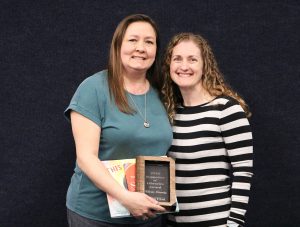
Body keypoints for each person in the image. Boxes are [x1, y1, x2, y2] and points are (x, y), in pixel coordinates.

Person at [64, 14, 172, 227]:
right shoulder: (93, 89)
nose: (141, 48)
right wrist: (126, 198)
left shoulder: (163, 93)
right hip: (96, 216)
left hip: (147, 216)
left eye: (149, 42)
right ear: (118, 45)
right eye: (133, 40)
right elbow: (86, 158)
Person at [161, 33, 253, 227]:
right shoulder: (169, 113)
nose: (184, 66)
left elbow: (243, 171)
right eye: (177, 59)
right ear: (169, 65)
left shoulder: (226, 109)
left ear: (205, 66)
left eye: (192, 59)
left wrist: (234, 224)